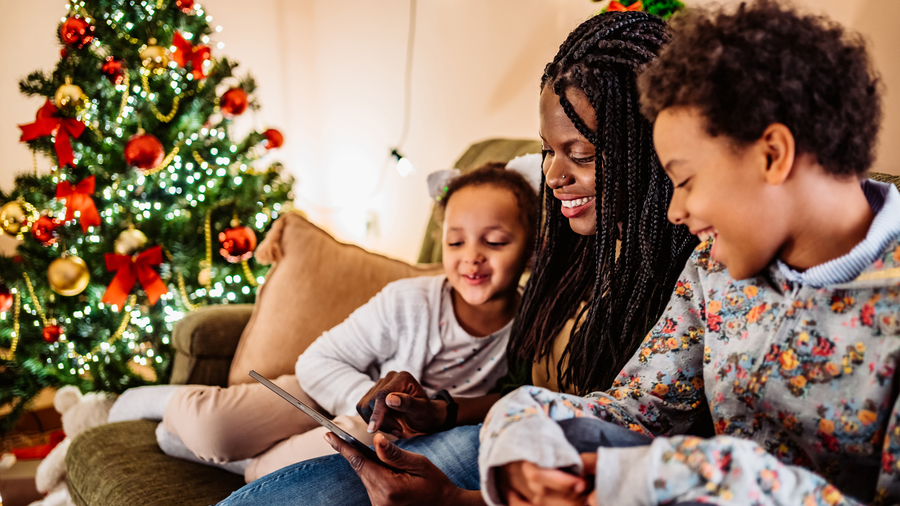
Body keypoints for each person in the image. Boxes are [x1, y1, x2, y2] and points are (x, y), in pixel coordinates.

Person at [217, 10, 696, 506]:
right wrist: (442, 411)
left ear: (643, 146)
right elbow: (522, 388)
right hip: (496, 437)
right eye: (549, 150)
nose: (553, 175)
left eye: (582, 154)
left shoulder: (691, 271)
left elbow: (624, 425)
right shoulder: (573, 250)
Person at [480, 1, 900, 505]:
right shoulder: (713, 266)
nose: (674, 209)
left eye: (685, 179)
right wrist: (518, 427)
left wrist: (680, 473)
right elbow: (639, 408)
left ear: (772, 155)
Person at [111, 163, 538, 483]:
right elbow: (318, 360)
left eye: (495, 241)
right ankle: (155, 402)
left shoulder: (530, 327)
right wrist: (367, 405)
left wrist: (380, 426)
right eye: (456, 241)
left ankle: (232, 458)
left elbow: (509, 399)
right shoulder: (410, 300)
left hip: (376, 433)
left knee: (288, 466)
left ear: (532, 248)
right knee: (212, 427)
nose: (472, 256)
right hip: (321, 389)